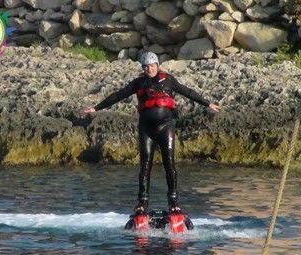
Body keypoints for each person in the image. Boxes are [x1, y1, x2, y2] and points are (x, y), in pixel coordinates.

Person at [81, 52, 220, 214]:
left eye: (152, 66)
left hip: (165, 127)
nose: (149, 69)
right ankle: (142, 202)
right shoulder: (139, 83)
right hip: (146, 129)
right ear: (143, 68)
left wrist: (208, 104)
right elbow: (118, 95)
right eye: (146, 67)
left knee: (169, 164)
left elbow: (188, 92)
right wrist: (95, 108)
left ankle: (173, 201)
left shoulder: (168, 80)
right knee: (145, 166)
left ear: (157, 66)